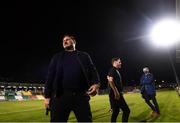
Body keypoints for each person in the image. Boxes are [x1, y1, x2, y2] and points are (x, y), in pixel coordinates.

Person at [44, 34, 100, 122]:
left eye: (67, 39)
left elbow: (93, 71)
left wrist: (96, 84)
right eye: (63, 41)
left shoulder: (84, 56)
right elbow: (50, 77)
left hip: (80, 96)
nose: (65, 41)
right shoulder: (57, 57)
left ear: (74, 41)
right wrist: (47, 96)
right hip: (60, 96)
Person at [107, 57, 130, 122]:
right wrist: (116, 92)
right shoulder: (112, 70)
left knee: (116, 112)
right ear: (115, 62)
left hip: (115, 94)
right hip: (116, 94)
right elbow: (110, 81)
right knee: (126, 110)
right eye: (119, 62)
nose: (121, 63)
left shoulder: (116, 70)